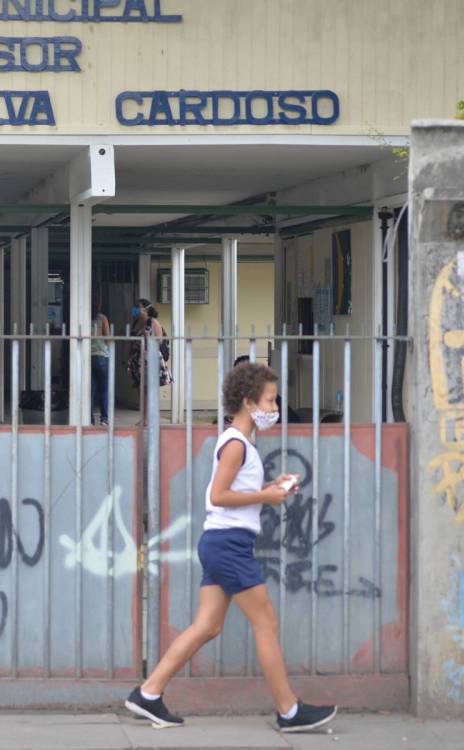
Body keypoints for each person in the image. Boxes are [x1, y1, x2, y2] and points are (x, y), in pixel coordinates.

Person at [124, 363, 337, 733]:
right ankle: (289, 711)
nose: (275, 408)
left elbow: (233, 492)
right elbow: (218, 496)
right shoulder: (236, 443)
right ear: (248, 402)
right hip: (229, 545)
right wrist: (266, 497)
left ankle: (148, 693)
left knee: (207, 626)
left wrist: (271, 487)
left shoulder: (240, 442)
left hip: (221, 543)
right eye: (270, 401)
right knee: (266, 622)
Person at [127, 299, 171, 423]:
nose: (135, 310)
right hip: (137, 360)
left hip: (150, 359)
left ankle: (149, 418)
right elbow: (131, 343)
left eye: (138, 307)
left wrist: (147, 336)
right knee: (141, 390)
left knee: (148, 390)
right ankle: (144, 418)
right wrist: (129, 360)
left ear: (146, 309)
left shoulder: (153, 322)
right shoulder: (136, 323)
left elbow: (159, 341)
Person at [90, 294, 112, 425]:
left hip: (88, 356)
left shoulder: (84, 317)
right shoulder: (102, 318)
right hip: (101, 356)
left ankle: (90, 419)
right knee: (104, 389)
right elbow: (108, 338)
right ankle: (104, 419)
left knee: (90, 390)